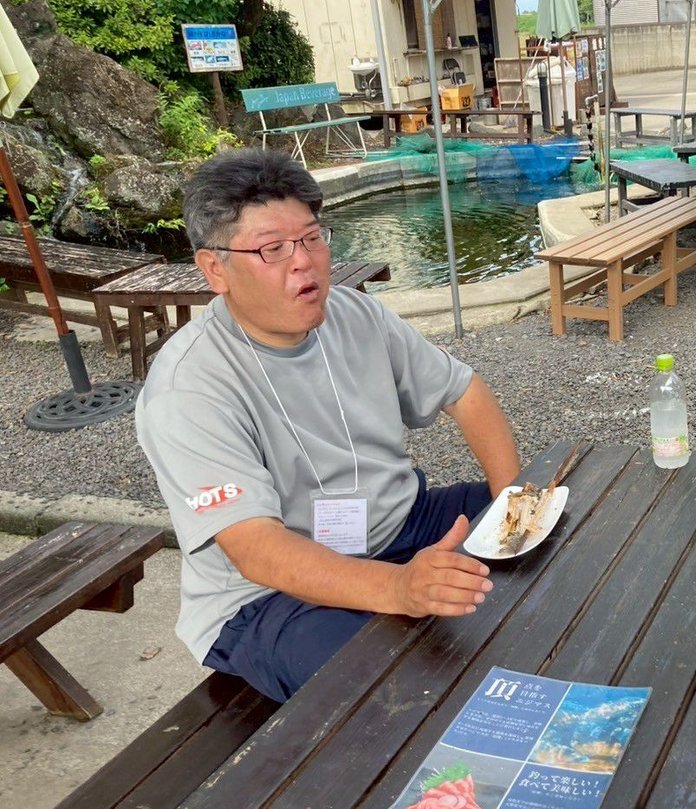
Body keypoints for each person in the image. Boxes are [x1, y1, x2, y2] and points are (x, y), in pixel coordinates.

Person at [136, 148, 521, 704]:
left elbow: (464, 392)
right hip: (268, 595)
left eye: (312, 238)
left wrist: (512, 503)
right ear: (215, 269)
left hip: (401, 525)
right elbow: (255, 549)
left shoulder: (355, 314)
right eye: (272, 248)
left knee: (542, 532)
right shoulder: (189, 388)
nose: (304, 262)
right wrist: (398, 587)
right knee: (393, 691)